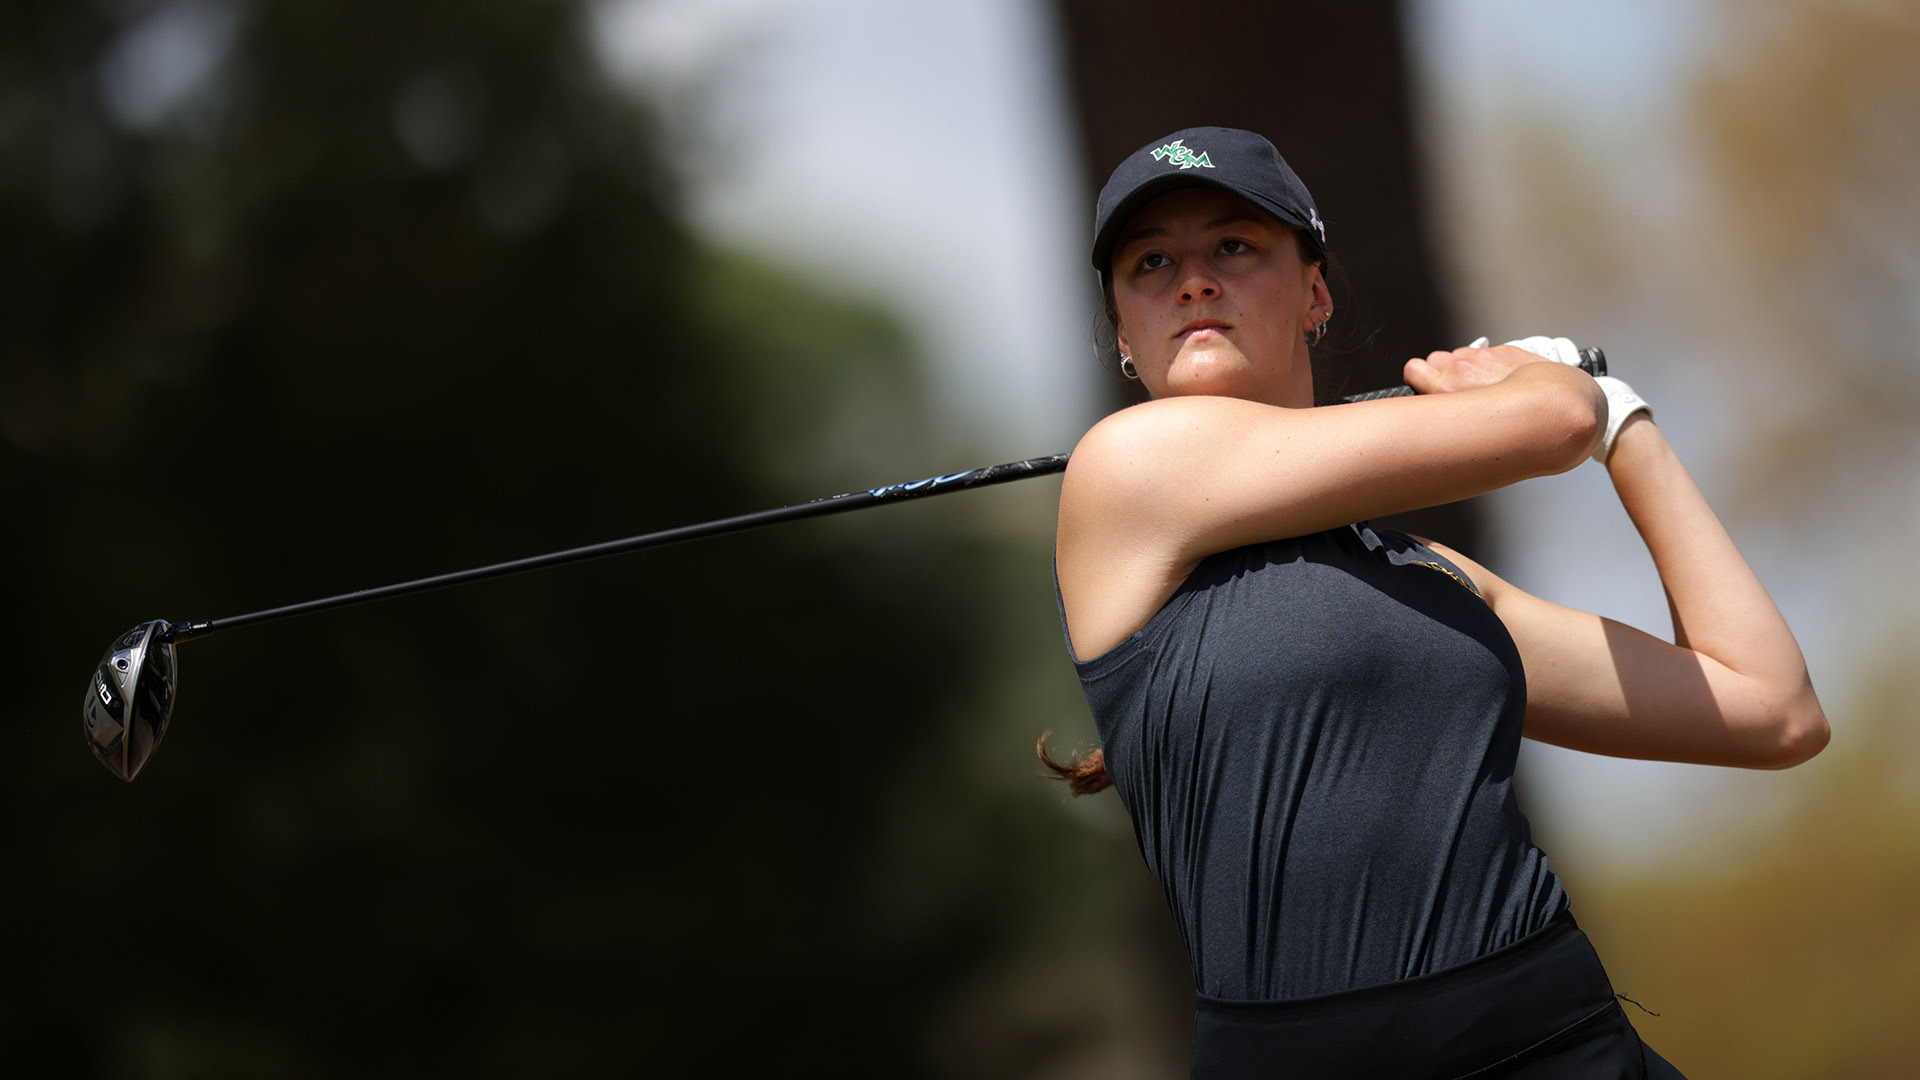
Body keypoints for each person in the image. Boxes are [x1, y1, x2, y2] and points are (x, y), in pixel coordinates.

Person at [1042, 126, 1828, 1078]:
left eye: (1234, 247)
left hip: (1559, 1041)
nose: (1193, 282)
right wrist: (1552, 388)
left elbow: (1771, 709)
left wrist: (1625, 424)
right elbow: (1550, 421)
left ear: (1315, 293)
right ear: (1124, 333)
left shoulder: (1434, 581)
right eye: (1151, 262)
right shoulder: (1125, 469)